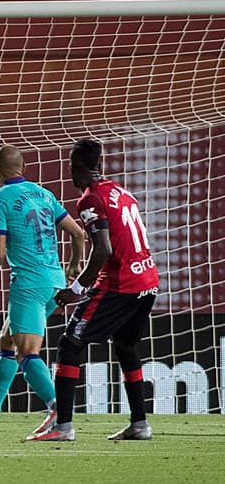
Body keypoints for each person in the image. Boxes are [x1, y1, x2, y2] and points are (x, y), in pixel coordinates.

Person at [30, 139, 159, 442]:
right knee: (126, 346)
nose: (70, 172)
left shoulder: (90, 199)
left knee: (70, 343)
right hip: (148, 281)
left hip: (121, 285)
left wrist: (75, 288)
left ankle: (63, 427)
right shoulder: (121, 193)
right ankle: (140, 424)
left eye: (70, 166)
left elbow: (102, 250)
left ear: (79, 166)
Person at [0, 145, 86, 433]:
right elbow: (78, 233)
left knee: (27, 352)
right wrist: (74, 264)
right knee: (7, 340)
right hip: (55, 281)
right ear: (23, 168)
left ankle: (59, 411)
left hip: (29, 284)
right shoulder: (44, 194)